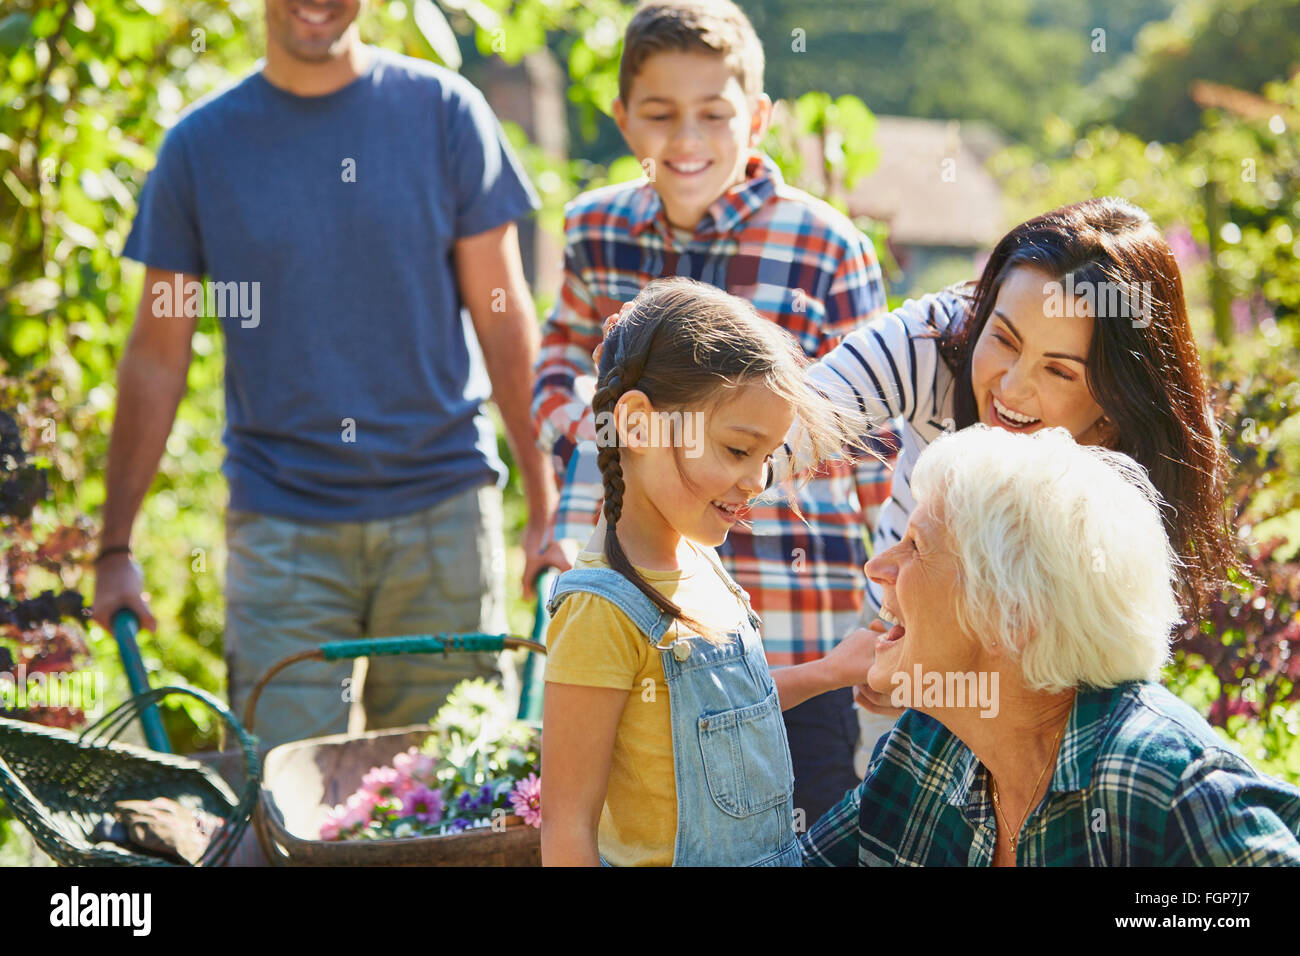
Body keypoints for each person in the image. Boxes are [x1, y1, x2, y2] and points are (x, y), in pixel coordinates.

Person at [91, 0, 567, 749]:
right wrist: (115, 548)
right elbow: (156, 355)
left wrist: (548, 509)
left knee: (446, 800)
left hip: (441, 514)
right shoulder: (201, 147)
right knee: (283, 805)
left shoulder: (443, 113)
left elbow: (504, 320)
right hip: (283, 531)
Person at [531, 0, 893, 822]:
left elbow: (872, 427)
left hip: (789, 604)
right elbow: (559, 362)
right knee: (649, 814)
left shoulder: (825, 246)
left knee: (803, 815)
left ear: (757, 118)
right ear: (624, 119)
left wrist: (893, 599)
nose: (686, 139)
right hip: (641, 603)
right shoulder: (598, 229)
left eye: (714, 115)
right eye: (659, 115)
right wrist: (592, 464)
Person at [800, 197, 1238, 725]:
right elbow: (783, 426)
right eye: (1004, 339)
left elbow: (1080, 681)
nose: (1010, 387)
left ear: (1111, 409)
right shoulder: (931, 342)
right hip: (898, 667)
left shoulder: (1126, 475)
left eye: (1059, 371)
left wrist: (943, 682)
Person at [801, 425, 1300, 866]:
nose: (877, 566)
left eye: (916, 547)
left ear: (1011, 613)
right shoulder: (925, 750)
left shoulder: (1165, 785)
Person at [540, 278, 880, 867]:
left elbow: (720, 714)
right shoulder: (602, 610)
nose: (757, 482)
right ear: (639, 425)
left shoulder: (701, 562)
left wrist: (830, 672)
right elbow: (566, 828)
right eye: (736, 450)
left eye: (768, 457)